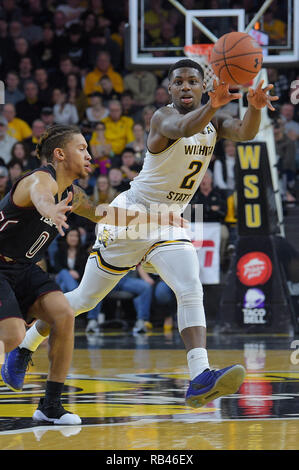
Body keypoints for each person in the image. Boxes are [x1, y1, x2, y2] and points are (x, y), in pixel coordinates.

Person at [3, 59, 278, 409]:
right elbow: (185, 127)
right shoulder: (163, 118)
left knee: (189, 286)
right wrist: (214, 103)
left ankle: (200, 376)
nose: (185, 87)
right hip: (129, 217)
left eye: (193, 81)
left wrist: (254, 109)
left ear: (202, 85)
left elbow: (245, 132)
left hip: (168, 221)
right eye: (178, 82)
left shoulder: (215, 119)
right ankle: (24, 348)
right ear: (169, 90)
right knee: (84, 300)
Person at [0, 123, 185, 422]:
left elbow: (107, 213)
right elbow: (40, 196)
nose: (90, 155)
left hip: (22, 268)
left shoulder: (73, 194)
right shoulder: (39, 181)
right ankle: (18, 354)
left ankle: (50, 406)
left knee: (63, 314)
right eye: (82, 148)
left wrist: (158, 218)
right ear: (60, 154)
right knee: (13, 334)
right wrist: (50, 210)